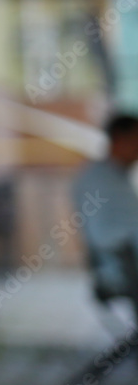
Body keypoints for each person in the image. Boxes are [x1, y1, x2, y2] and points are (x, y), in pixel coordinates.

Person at [74, 114, 138, 301]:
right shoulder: (97, 180)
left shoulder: (118, 174)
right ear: (119, 139)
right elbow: (103, 236)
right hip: (122, 268)